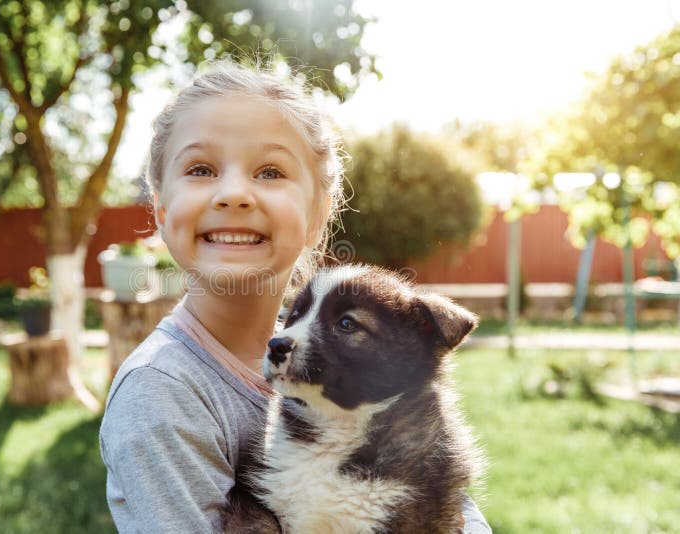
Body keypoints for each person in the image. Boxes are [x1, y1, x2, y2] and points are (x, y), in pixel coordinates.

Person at [99, 62, 491, 533]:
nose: (234, 193)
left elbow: (455, 513)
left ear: (317, 213)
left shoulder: (364, 385)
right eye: (201, 169)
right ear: (160, 209)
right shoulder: (162, 393)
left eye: (269, 171)